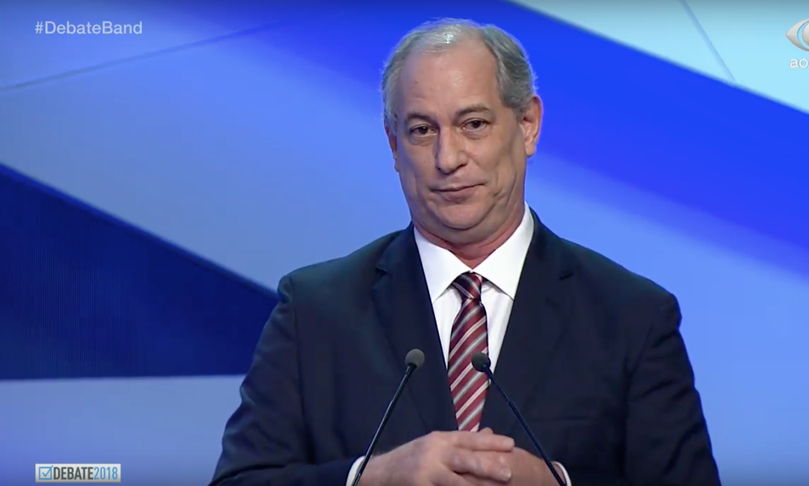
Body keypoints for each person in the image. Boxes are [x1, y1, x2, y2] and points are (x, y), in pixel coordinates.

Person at [210, 18, 720, 486]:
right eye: (421, 130)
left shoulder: (631, 317)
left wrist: (559, 484)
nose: (447, 158)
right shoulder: (315, 311)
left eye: (473, 124)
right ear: (393, 146)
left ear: (527, 125)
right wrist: (371, 478)